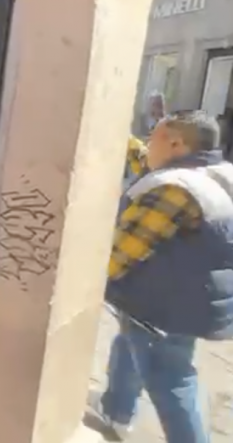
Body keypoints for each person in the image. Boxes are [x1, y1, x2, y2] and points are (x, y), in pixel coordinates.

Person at [94, 110, 233, 443]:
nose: (146, 143)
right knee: (128, 344)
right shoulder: (217, 173)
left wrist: (85, 286)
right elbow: (148, 160)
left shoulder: (173, 189)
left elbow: (122, 253)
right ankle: (117, 411)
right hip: (192, 294)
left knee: (172, 380)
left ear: (175, 142)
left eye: (153, 136)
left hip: (165, 305)